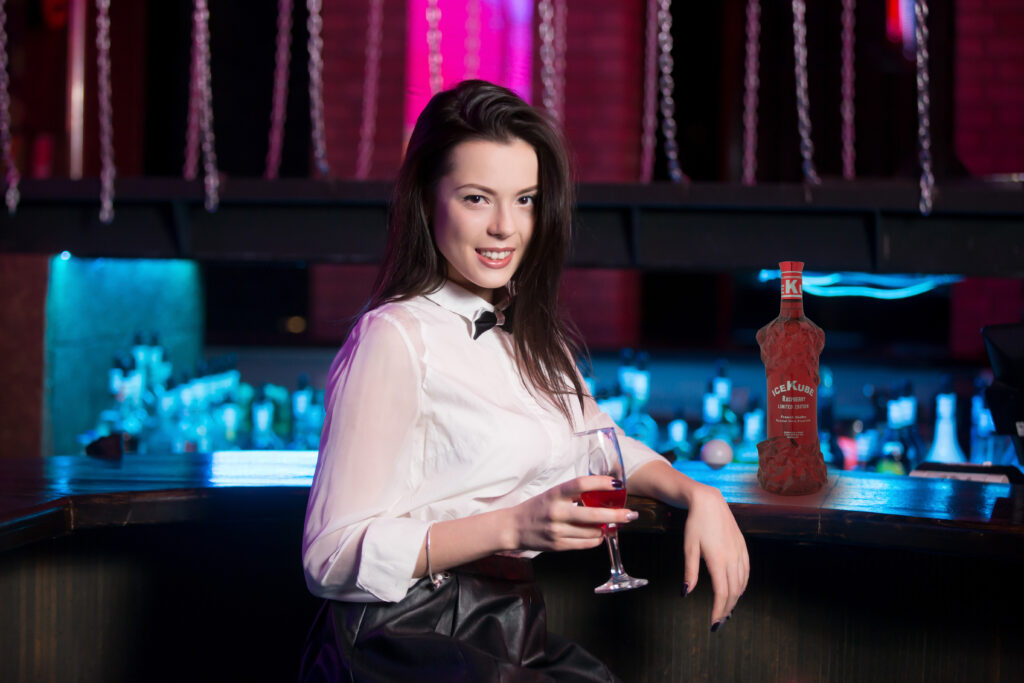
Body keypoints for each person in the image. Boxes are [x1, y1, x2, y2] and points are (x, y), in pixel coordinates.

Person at [299, 80, 748, 682]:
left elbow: (604, 445)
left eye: (526, 200)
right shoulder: (395, 336)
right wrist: (514, 525)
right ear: (427, 200)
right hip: (407, 635)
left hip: (506, 624)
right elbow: (327, 557)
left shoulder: (532, 338)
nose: (505, 227)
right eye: (477, 198)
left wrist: (698, 494)